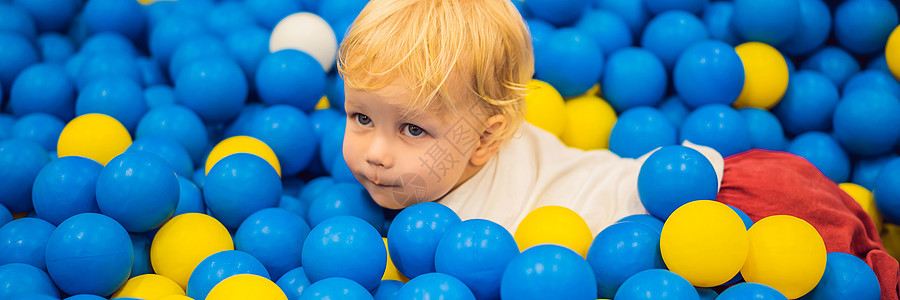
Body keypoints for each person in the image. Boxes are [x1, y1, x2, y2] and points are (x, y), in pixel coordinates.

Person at [337, 0, 898, 297]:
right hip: (726, 181)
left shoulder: (475, 233)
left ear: (486, 139)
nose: (376, 153)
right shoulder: (493, 127)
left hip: (729, 213)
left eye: (412, 130)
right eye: (361, 117)